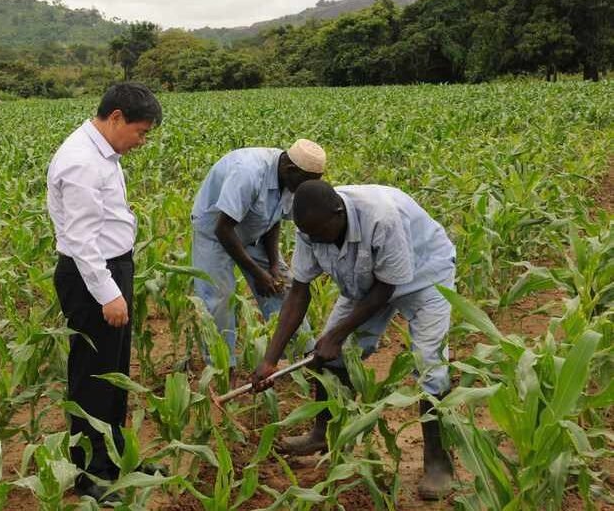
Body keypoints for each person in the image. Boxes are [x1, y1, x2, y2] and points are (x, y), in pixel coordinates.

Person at [251, 180, 456, 501]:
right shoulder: (311, 228)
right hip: (366, 282)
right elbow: (299, 292)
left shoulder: (381, 219)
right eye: (310, 235)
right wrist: (270, 359)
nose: (316, 240)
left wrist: (337, 335)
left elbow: (385, 289)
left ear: (338, 213)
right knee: (329, 355)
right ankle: (323, 432)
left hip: (424, 276)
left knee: (431, 364)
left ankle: (439, 463)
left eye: (320, 234)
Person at [47, 82, 162, 504]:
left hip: (110, 269)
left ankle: (114, 459)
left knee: (114, 373)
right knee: (93, 376)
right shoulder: (81, 161)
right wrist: (108, 294)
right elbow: (80, 240)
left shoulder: (103, 154)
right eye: (141, 132)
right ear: (116, 118)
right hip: (92, 276)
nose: (142, 141)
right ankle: (88, 472)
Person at [191, 141, 326, 379]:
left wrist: (273, 266)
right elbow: (224, 229)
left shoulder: (292, 179)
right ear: (290, 169)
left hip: (253, 230)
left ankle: (304, 354)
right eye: (306, 183)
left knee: (282, 285)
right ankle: (222, 369)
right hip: (215, 231)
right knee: (219, 298)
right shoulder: (248, 173)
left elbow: (272, 219)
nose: (307, 190)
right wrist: (257, 273)